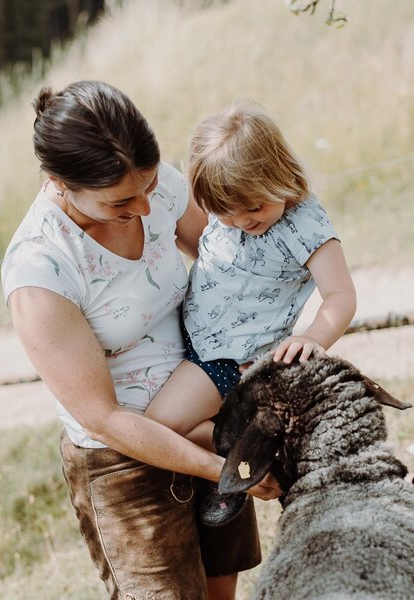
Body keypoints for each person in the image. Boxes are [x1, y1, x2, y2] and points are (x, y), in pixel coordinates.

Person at [0, 81, 281, 600]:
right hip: (124, 463)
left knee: (223, 590)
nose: (147, 209)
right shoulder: (39, 271)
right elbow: (104, 418)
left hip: (209, 411)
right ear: (59, 182)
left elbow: (228, 268)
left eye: (150, 186)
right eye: (121, 201)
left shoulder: (158, 189)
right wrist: (223, 468)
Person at [145, 99, 357, 526]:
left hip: (228, 360)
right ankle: (242, 452)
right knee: (164, 425)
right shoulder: (226, 211)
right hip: (194, 342)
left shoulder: (304, 225)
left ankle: (249, 451)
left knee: (158, 428)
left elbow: (341, 296)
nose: (242, 220)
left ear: (279, 176)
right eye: (227, 211)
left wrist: (313, 338)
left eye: (254, 207)